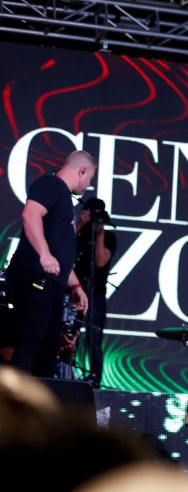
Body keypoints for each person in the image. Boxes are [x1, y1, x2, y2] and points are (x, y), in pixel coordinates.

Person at [1, 151, 95, 378]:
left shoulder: (65, 201)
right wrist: (43, 253)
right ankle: (17, 409)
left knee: (47, 353)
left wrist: (75, 286)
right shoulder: (51, 184)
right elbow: (30, 213)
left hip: (51, 287)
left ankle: (39, 409)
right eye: (90, 178)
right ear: (82, 171)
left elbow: (59, 255)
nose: (89, 185)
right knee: (28, 348)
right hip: (34, 283)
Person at [74, 198, 118, 387]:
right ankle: (65, 375)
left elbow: (100, 262)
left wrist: (99, 232)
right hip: (74, 292)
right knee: (69, 334)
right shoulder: (77, 232)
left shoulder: (109, 238)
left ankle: (95, 382)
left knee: (94, 338)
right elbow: (63, 247)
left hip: (96, 294)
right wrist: (80, 223)